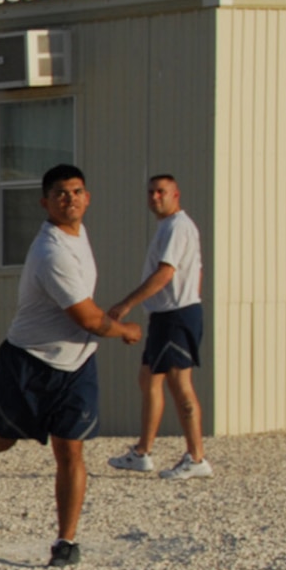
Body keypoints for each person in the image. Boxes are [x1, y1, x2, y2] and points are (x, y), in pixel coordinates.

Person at [0, 164, 142, 566]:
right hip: (30, 363)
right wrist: (125, 330)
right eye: (60, 193)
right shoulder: (50, 251)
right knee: (2, 438)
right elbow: (87, 319)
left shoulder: (78, 235)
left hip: (78, 364)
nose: (69, 198)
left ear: (87, 198)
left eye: (76, 191)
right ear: (44, 202)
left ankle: (65, 543)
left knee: (70, 450)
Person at [107, 173, 212, 478]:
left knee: (180, 384)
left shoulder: (179, 227)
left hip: (177, 315)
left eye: (161, 192)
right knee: (149, 379)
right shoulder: (166, 227)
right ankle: (143, 452)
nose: (155, 197)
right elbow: (198, 271)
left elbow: (165, 273)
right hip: (166, 315)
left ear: (176, 194)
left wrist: (127, 304)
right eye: (151, 192)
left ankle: (196, 458)